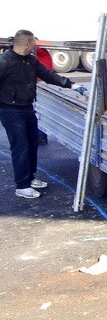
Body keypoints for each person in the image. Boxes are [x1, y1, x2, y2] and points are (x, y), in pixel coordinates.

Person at [0, 30, 87, 199]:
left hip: (26, 108)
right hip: (10, 110)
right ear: (26, 43)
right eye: (33, 43)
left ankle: (30, 178)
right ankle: (22, 186)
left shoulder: (30, 61)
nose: (35, 46)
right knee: (21, 148)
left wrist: (71, 85)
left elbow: (48, 75)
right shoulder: (5, 61)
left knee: (32, 145)